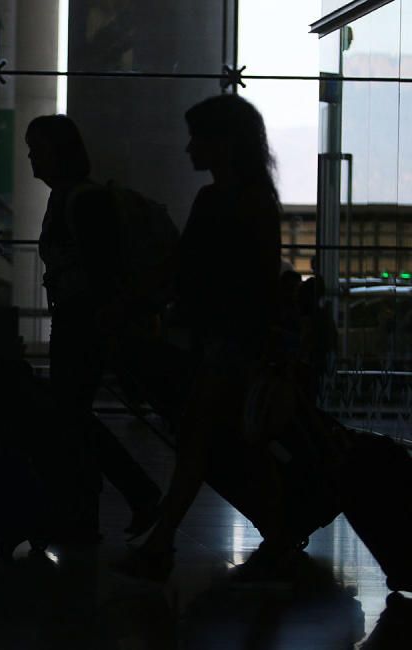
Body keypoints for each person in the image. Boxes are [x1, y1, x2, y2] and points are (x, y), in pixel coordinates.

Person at [116, 94, 284, 580]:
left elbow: (183, 272)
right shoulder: (257, 202)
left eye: (197, 137)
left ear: (222, 143)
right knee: (221, 443)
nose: (189, 148)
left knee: (199, 443)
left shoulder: (216, 202)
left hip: (218, 345)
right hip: (238, 343)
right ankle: (275, 531)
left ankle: (163, 541)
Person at [26, 114, 161, 540]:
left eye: (39, 149)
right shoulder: (70, 198)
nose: (32, 157)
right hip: (81, 321)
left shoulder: (78, 202)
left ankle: (108, 502)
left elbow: (104, 271)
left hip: (83, 323)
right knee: (71, 418)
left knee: (69, 418)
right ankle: (105, 503)